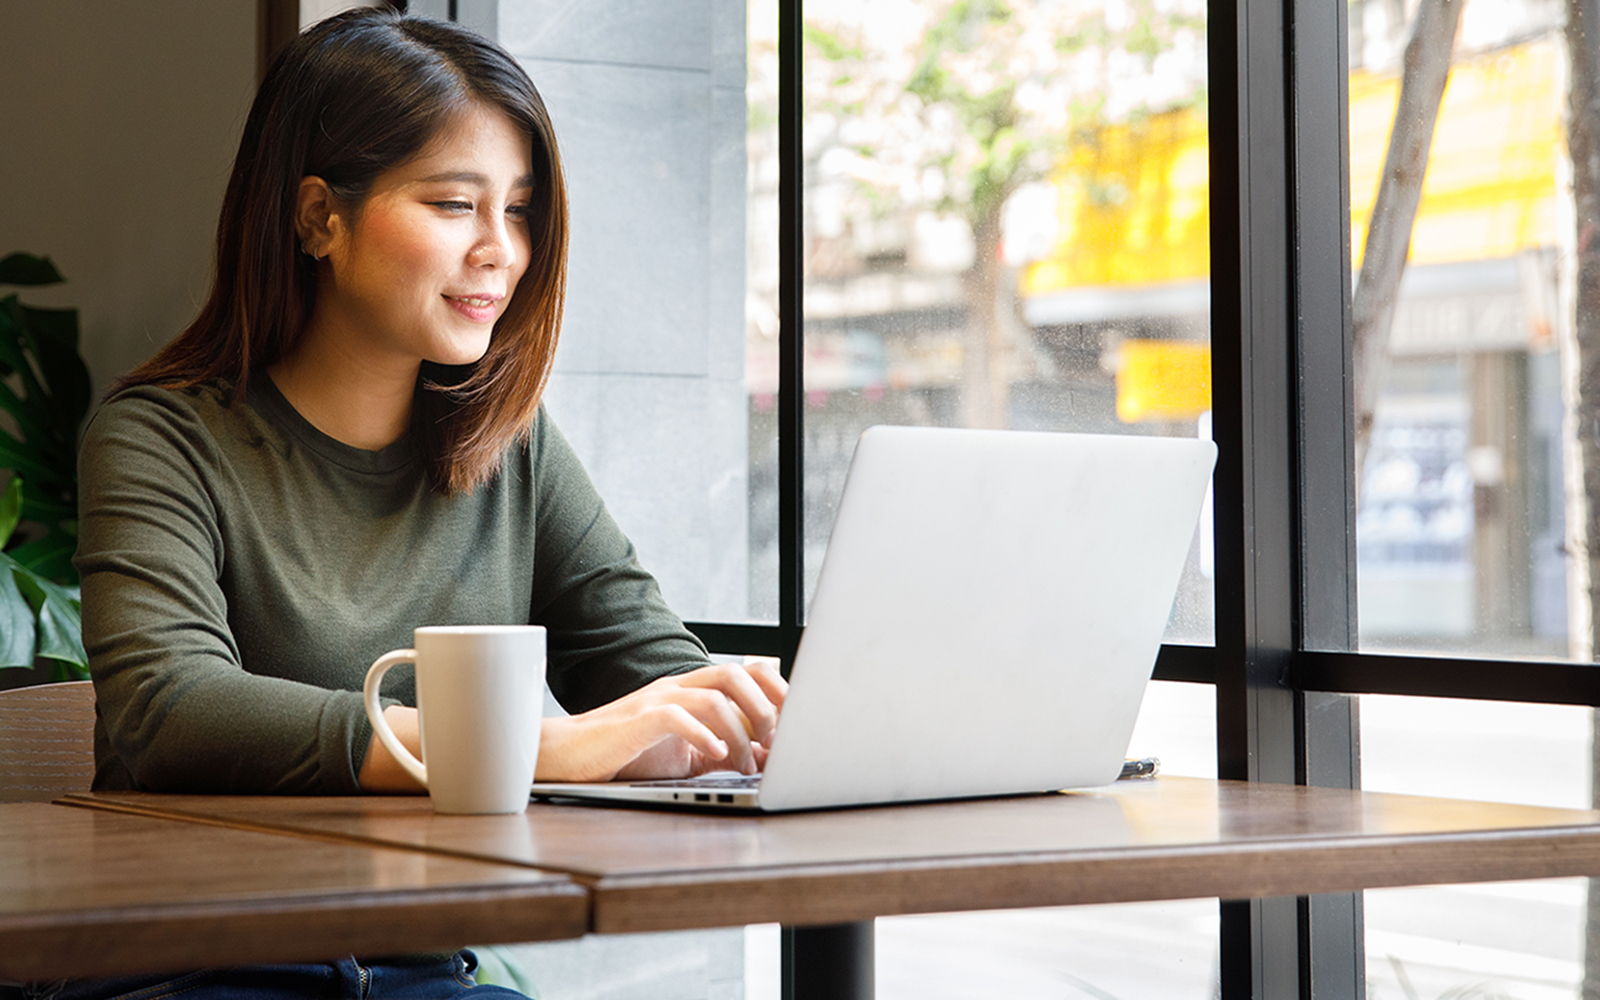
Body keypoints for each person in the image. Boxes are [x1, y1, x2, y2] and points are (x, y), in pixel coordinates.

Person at [54, 8, 784, 999]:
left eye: (520, 210)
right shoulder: (160, 437)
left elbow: (653, 671)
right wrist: (539, 747)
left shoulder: (508, 444)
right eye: (454, 204)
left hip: (426, 969)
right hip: (192, 970)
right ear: (319, 217)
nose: (502, 250)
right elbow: (172, 712)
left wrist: (766, 722)